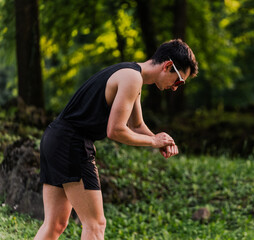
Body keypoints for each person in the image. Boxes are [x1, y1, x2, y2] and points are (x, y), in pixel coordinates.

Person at [34, 39, 198, 240]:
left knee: (55, 224)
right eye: (179, 80)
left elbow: (135, 125)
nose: (175, 88)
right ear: (168, 66)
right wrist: (153, 142)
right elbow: (116, 130)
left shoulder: (132, 74)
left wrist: (158, 139)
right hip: (72, 142)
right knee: (95, 224)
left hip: (55, 137)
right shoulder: (132, 79)